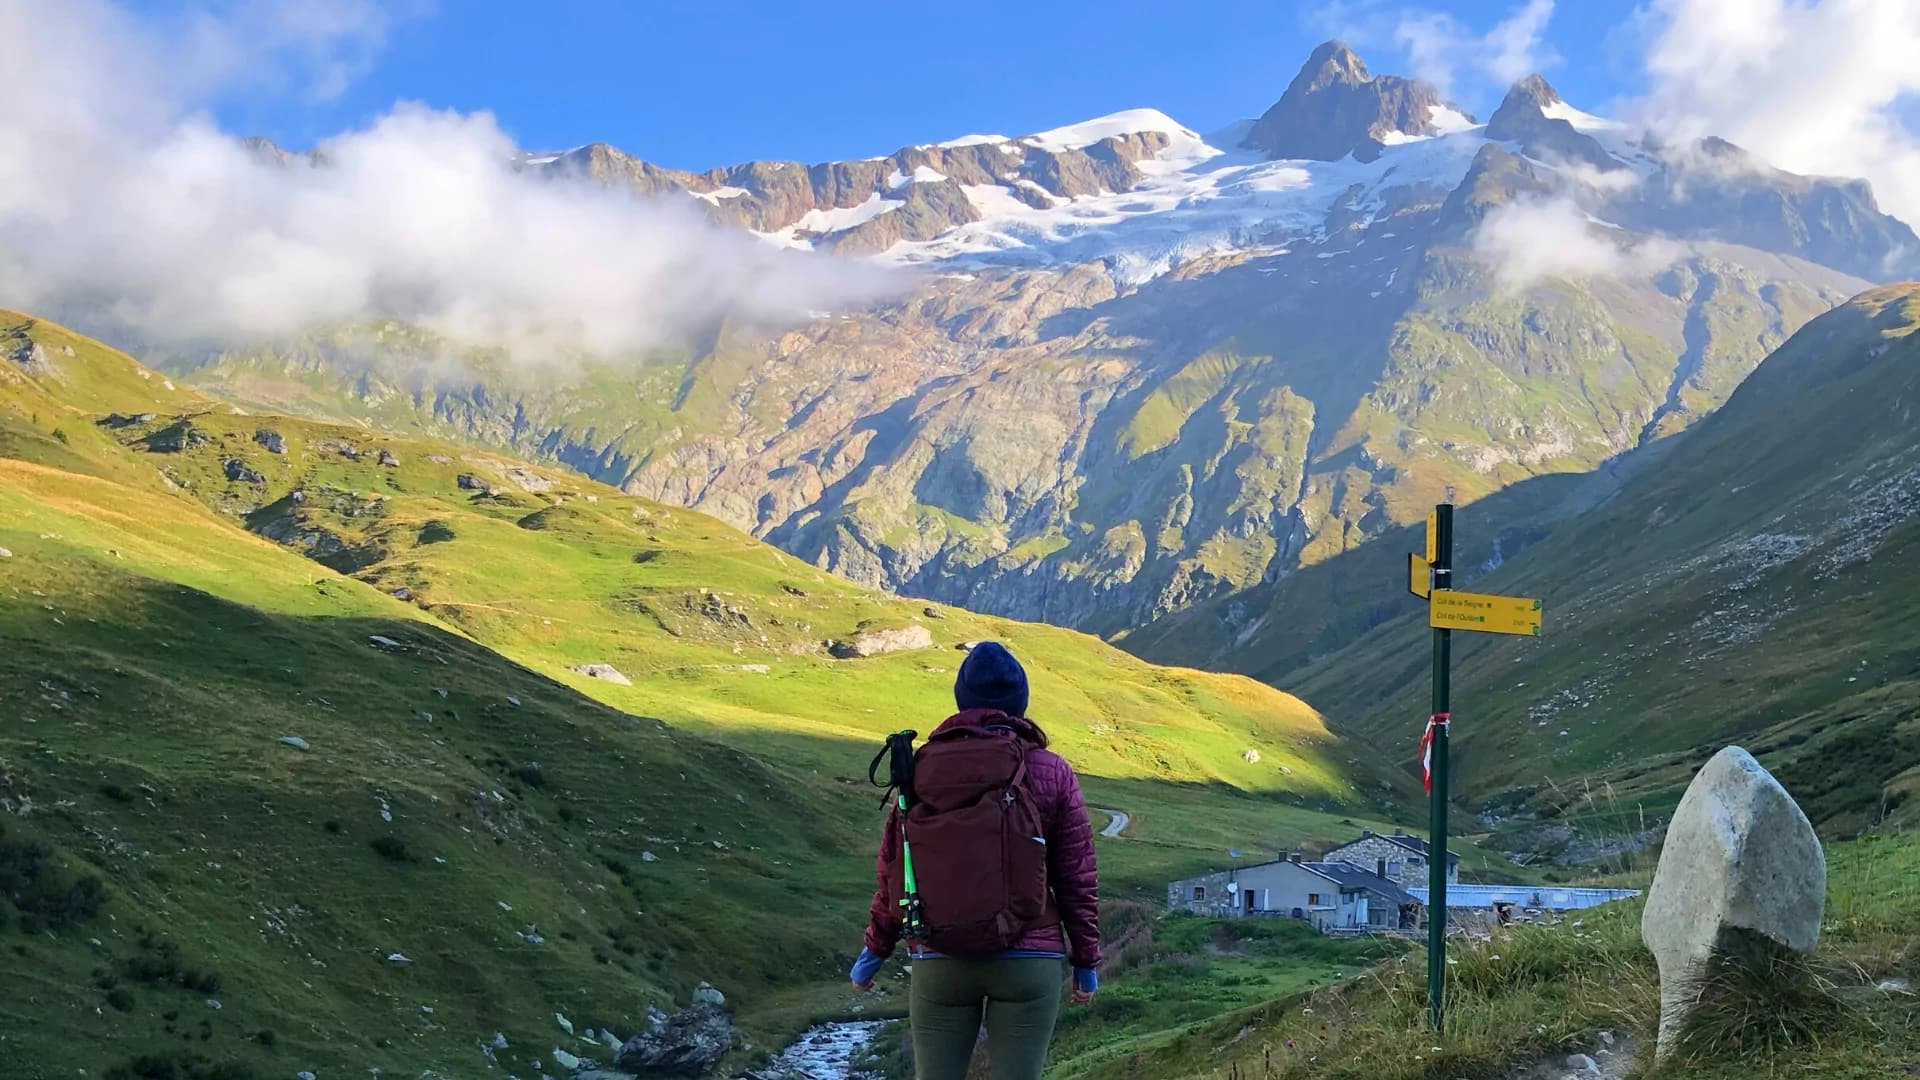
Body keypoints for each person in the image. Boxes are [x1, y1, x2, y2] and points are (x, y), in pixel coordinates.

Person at [849, 641, 1101, 1080]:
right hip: (1030, 959)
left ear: (960, 699)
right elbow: (1076, 875)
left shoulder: (920, 766)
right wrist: (1086, 961)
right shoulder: (1051, 769)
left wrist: (874, 951)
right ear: (1021, 702)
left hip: (939, 957)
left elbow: (896, 869)